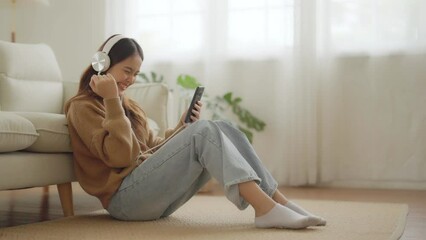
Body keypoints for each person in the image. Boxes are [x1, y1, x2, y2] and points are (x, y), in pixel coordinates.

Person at [64, 34, 326, 229]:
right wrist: (111, 100)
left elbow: (150, 149)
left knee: (222, 127)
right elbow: (121, 158)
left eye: (136, 73)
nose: (131, 80)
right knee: (203, 132)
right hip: (124, 202)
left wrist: (181, 128)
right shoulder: (81, 107)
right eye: (127, 71)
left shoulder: (127, 105)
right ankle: (266, 210)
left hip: (151, 197)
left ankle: (278, 202)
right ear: (102, 65)